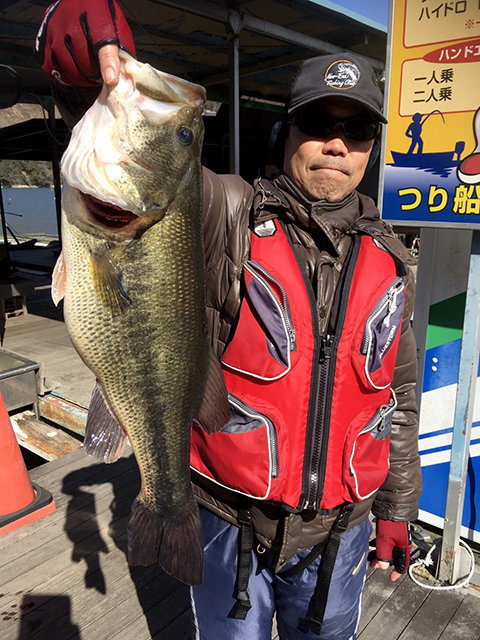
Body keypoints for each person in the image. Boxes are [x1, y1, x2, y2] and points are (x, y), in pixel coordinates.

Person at [35, 2, 422, 638]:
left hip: (341, 531)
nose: (336, 144)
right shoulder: (228, 210)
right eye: (318, 123)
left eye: (356, 132)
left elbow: (398, 393)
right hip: (226, 518)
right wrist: (86, 46)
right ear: (286, 133)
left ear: (371, 149)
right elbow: (158, 177)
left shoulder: (390, 256)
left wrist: (398, 509)